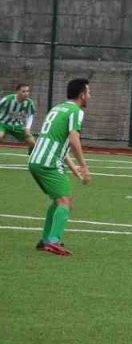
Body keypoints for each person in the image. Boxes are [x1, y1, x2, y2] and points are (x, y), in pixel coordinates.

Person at [27, 78, 92, 256]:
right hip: (49, 162)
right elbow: (73, 140)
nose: (90, 96)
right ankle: (54, 241)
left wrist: (74, 169)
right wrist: (84, 167)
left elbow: (59, 143)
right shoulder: (76, 111)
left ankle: (46, 240)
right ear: (82, 95)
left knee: (58, 201)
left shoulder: (58, 108)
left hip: (36, 160)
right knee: (65, 202)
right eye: (88, 92)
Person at [0, 81, 37, 149]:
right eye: (23, 91)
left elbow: (30, 116)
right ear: (17, 91)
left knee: (32, 142)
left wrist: (27, 128)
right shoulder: (7, 99)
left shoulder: (29, 102)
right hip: (2, 123)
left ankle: (32, 156)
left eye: (28, 91)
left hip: (17, 125)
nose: (26, 93)